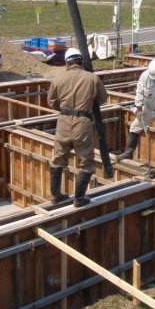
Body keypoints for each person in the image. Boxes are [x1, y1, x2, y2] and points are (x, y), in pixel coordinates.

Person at [48, 48, 108, 207]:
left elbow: (52, 102)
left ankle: (55, 196)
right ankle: (79, 198)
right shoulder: (92, 78)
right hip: (83, 122)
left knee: (58, 159)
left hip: (63, 122)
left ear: (67, 63)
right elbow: (103, 99)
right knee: (86, 161)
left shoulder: (58, 79)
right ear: (81, 61)